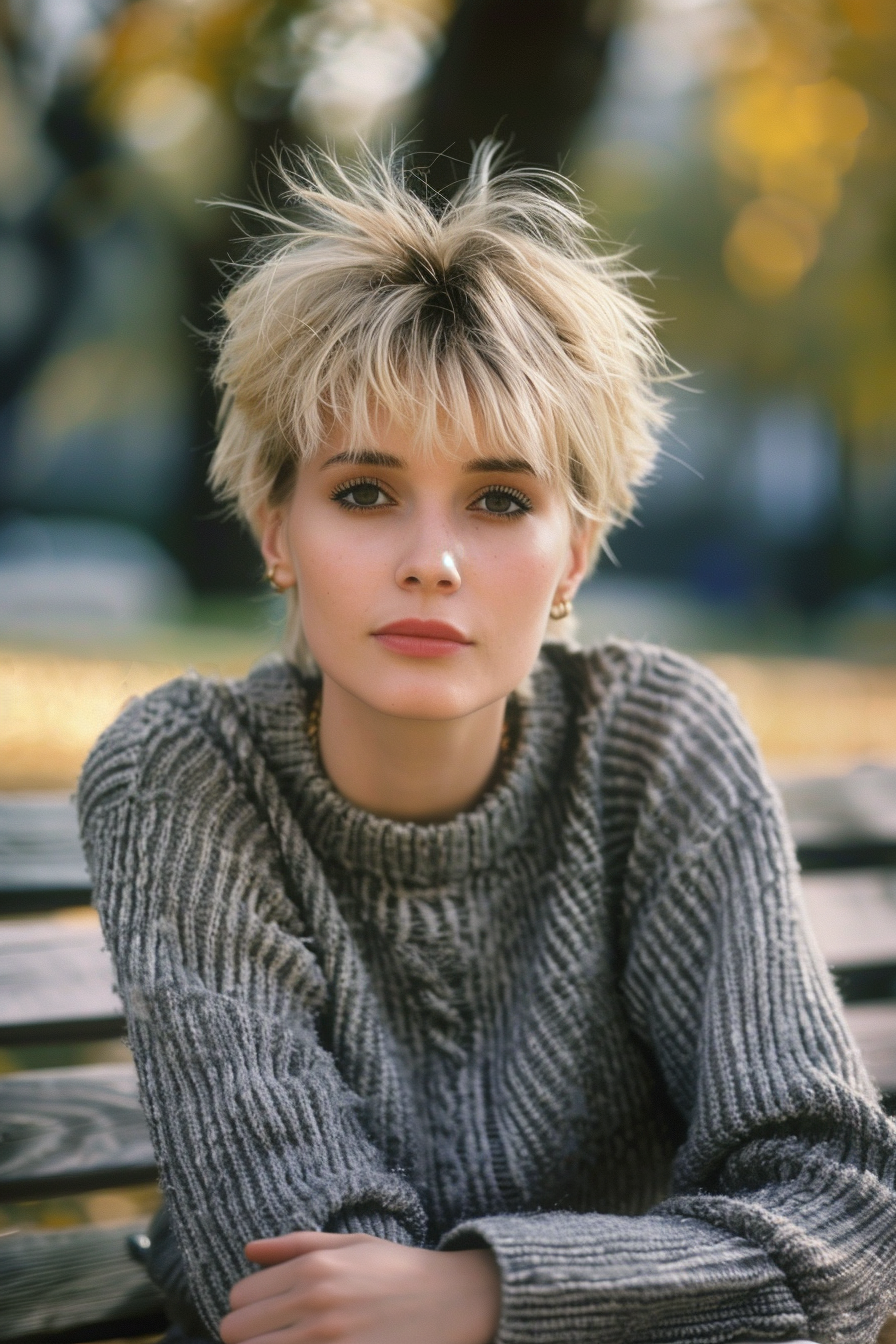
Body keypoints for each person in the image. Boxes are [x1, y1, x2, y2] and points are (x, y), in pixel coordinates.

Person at [79, 146, 896, 1344]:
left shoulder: (652, 742)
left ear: (572, 555)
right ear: (276, 532)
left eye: (499, 500)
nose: (431, 558)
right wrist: (679, 1284)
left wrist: (488, 1294)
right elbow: (288, 1292)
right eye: (363, 492)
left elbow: (842, 1217)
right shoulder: (187, 777)